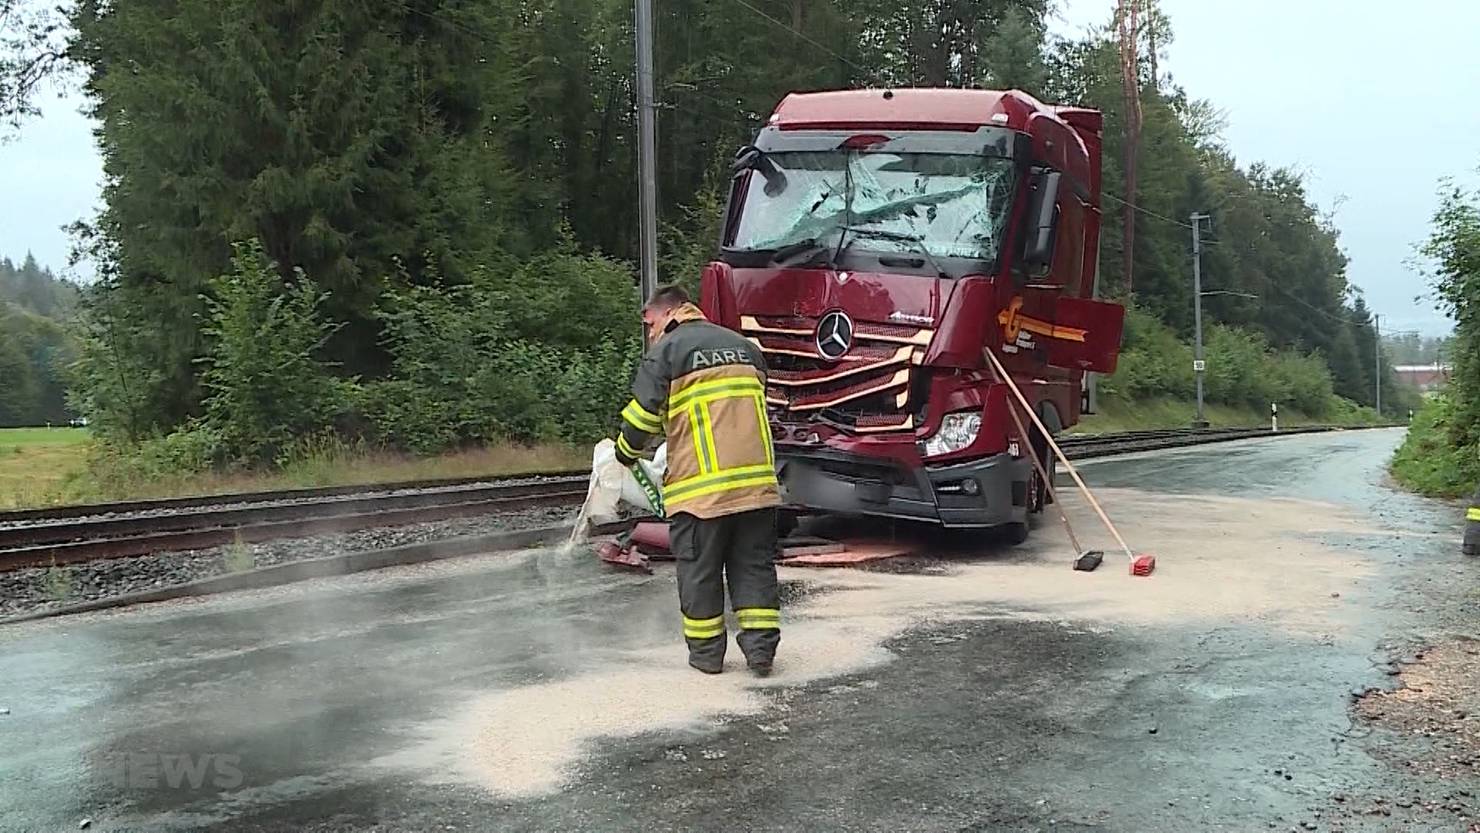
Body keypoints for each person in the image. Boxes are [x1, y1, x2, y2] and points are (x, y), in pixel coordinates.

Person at [613, 284, 782, 676]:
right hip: (756, 488)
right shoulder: (746, 348)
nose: (650, 333)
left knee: (699, 571)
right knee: (753, 568)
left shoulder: (668, 352)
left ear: (663, 315)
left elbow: (641, 422)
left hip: (700, 492)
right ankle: (761, 653)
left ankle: (707, 657)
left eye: (649, 324)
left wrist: (623, 452)